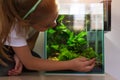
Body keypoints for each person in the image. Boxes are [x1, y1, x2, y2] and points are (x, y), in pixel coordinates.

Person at [0, 0, 96, 76]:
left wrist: (20, 56)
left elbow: (31, 41)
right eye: (46, 25)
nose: (54, 24)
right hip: (2, 48)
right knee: (8, 67)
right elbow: (30, 63)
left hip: (10, 46)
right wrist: (70, 65)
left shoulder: (35, 12)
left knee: (36, 59)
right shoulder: (14, 28)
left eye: (55, 17)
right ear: (27, 22)